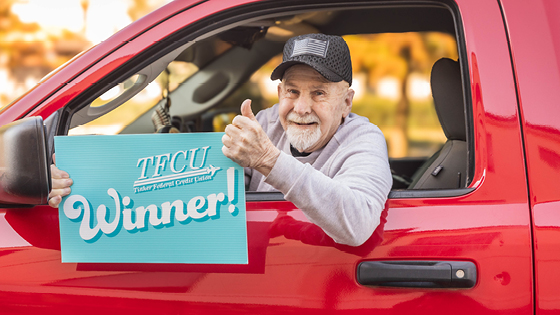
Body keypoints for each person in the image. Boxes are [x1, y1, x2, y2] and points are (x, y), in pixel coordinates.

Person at [49, 33, 392, 247]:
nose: (301, 108)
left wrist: (269, 161)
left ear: (346, 101)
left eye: (318, 93)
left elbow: (358, 224)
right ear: (279, 92)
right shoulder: (266, 122)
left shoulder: (364, 139)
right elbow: (197, 187)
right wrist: (82, 181)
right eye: (292, 91)